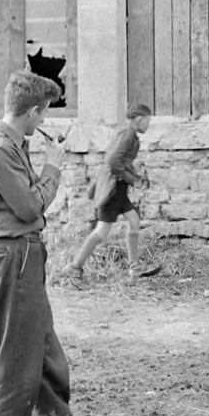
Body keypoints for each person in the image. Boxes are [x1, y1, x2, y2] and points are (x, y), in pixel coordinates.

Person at [0, 70, 106, 416]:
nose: (43, 124)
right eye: (43, 115)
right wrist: (53, 168)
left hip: (25, 257)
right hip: (12, 257)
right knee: (17, 352)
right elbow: (31, 208)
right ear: (32, 112)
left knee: (44, 349)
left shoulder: (13, 146)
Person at [65, 103, 160, 283]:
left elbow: (121, 161)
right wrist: (133, 179)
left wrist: (135, 176)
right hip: (113, 190)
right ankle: (74, 267)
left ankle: (134, 268)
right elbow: (112, 161)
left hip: (119, 188)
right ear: (139, 120)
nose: (148, 125)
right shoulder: (128, 136)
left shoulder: (128, 135)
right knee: (101, 232)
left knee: (134, 221)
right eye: (147, 121)